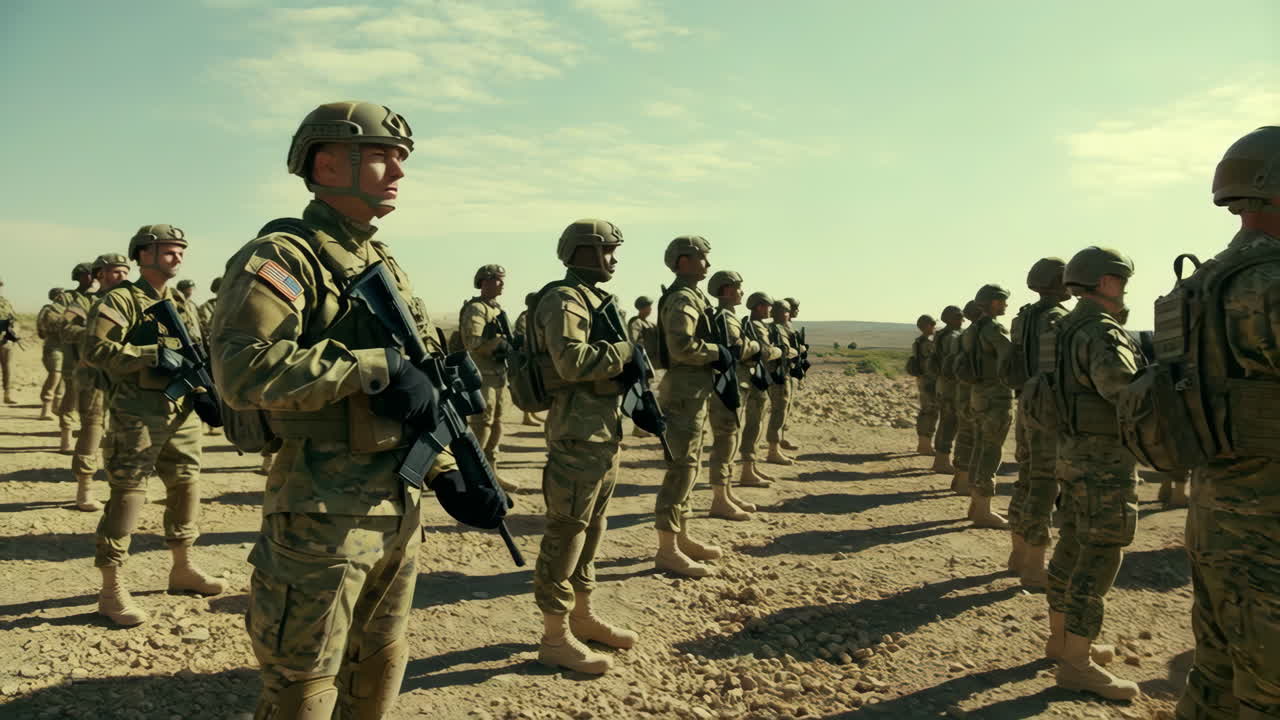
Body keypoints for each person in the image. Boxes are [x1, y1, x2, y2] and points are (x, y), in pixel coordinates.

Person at [211, 101, 453, 719]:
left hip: (396, 506)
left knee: (378, 666)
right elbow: (243, 370)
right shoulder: (283, 257)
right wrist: (374, 367)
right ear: (326, 164)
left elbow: (418, 389)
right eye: (381, 156)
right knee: (304, 686)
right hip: (321, 512)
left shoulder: (383, 263)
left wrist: (446, 469)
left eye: (401, 157)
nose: (398, 170)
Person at [1175, 126, 1280, 719]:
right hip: (1268, 530)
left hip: (1215, 512)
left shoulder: (1202, 281)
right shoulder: (1272, 283)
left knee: (1214, 680)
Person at [83, 226, 224, 627]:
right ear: (144, 254)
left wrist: (205, 391)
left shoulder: (180, 302)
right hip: (137, 412)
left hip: (180, 411)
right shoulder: (121, 299)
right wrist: (150, 354)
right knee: (129, 494)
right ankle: (111, 591)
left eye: (181, 251)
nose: (178, 257)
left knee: (186, 485)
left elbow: (197, 352)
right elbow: (95, 350)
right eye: (168, 251)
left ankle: (183, 567)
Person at [530, 218, 636, 675]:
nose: (614, 259)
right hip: (576, 433)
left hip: (602, 432)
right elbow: (571, 363)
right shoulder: (565, 300)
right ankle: (554, 637)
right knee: (567, 532)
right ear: (585, 252)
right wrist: (625, 353)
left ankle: (582, 616)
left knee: (592, 528)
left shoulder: (593, 299)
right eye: (607, 250)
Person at [1043, 246, 1144, 701]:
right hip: (1103, 461)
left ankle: (1062, 641)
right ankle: (1077, 664)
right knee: (1101, 552)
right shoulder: (1101, 331)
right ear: (1105, 282)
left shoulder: (1063, 328)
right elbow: (1123, 390)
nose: (1125, 290)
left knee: (1072, 542)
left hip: (1070, 453)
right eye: (1122, 281)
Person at [653, 235, 727, 577]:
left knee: (690, 466)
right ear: (683, 262)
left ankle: (681, 537)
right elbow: (681, 346)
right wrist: (716, 352)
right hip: (683, 392)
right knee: (680, 469)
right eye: (702, 258)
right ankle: (667, 549)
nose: (708, 264)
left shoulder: (693, 296)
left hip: (693, 391)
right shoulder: (682, 298)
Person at [1006, 258, 1071, 589]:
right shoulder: (1059, 318)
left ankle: (1018, 555)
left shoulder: (1023, 317)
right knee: (1045, 484)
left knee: (1027, 478)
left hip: (1027, 404)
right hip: (1048, 409)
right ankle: (1034, 565)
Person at [67, 253, 131, 512]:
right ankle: (85, 488)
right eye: (116, 272)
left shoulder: (129, 302)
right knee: (92, 429)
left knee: (126, 432)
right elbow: (65, 328)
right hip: (93, 375)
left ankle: (124, 488)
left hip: (124, 374)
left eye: (125, 272)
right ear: (100, 275)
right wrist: (95, 334)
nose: (122, 276)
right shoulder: (86, 301)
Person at [705, 270, 764, 521]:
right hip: (726, 387)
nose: (742, 292)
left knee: (732, 439)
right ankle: (719, 499)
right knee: (725, 441)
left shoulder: (730, 317)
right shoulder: (725, 318)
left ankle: (727, 493)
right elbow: (737, 349)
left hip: (734, 385)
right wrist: (756, 346)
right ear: (728, 290)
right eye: (738, 288)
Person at [962, 284, 1014, 528]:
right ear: (993, 302)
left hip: (978, 395)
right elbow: (1009, 359)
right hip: (996, 397)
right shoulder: (994, 329)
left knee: (980, 448)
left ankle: (976, 506)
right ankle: (983, 510)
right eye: (1002, 301)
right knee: (991, 452)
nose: (1005, 305)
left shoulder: (972, 330)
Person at [460, 263, 513, 491]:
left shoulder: (496, 309)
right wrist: (499, 344)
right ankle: (473, 477)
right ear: (484, 282)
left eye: (502, 280)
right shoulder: (476, 309)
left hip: (498, 376)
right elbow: (472, 342)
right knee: (482, 425)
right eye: (497, 280)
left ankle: (491, 472)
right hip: (481, 377)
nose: (502, 284)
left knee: (497, 424)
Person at [738, 291, 783, 486]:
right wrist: (780, 350)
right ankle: (747, 471)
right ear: (759, 306)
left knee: (756, 425)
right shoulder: (757, 326)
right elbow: (765, 352)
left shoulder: (754, 324)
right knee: (754, 425)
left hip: (757, 379)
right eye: (768, 306)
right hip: (756, 381)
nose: (770, 310)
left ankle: (751, 467)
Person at [58, 262, 97, 452]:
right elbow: (62, 325)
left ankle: (89, 436)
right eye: (89, 274)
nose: (92, 277)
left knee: (94, 399)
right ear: (80, 276)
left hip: (96, 358)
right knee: (71, 395)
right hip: (73, 354)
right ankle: (66, 435)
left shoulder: (102, 296)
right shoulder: (67, 298)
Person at [949, 301, 983, 493]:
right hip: (979, 392)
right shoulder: (984, 333)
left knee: (964, 434)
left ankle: (960, 478)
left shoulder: (962, 336)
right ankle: (967, 481)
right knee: (978, 438)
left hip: (962, 389)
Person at [929, 305, 964, 473]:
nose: (962, 320)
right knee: (950, 423)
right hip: (951, 385)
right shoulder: (952, 337)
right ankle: (942, 460)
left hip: (943, 384)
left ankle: (940, 459)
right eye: (958, 317)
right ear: (949, 319)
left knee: (946, 421)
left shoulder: (941, 335)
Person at [765, 300, 799, 464]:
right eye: (787, 311)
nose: (789, 314)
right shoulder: (775, 329)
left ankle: (776, 446)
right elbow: (776, 352)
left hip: (783, 373)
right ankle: (773, 451)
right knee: (778, 411)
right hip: (777, 375)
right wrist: (792, 352)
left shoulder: (780, 328)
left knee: (782, 410)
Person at [514, 292, 545, 426]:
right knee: (528, 385)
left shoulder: (534, 315)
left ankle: (531, 413)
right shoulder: (525, 317)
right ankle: (527, 416)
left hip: (533, 356)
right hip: (525, 357)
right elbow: (522, 336)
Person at [36, 288, 67, 419]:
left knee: (62, 377)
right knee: (55, 375)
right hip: (54, 347)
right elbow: (42, 329)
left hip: (65, 347)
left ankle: (56, 407)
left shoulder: (69, 309)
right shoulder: (49, 310)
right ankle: (46, 409)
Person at [910, 314, 938, 455]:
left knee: (927, 410)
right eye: (933, 324)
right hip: (929, 381)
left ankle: (924, 444)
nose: (934, 327)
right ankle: (925, 445)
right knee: (929, 411)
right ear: (927, 326)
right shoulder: (927, 343)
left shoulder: (918, 342)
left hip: (924, 380)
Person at [0, 278, 21, 404]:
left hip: (6, 341)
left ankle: (8, 395)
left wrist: (14, 332)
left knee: (8, 369)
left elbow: (14, 319)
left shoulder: (5, 303)